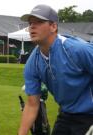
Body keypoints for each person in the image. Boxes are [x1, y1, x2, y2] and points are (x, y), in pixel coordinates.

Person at [18, 4, 93, 135]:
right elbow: (32, 105)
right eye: (30, 23)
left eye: (39, 22)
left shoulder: (78, 49)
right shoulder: (32, 63)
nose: (32, 27)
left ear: (53, 26)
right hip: (66, 114)